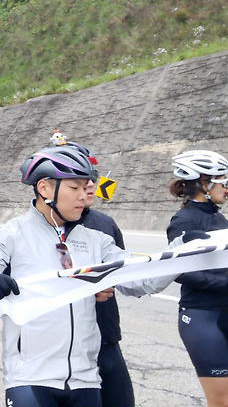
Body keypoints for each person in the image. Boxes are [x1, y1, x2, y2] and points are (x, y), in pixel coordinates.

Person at [0, 145, 163, 407]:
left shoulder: (97, 241)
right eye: (74, 187)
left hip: (85, 379)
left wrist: (188, 253)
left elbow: (141, 279)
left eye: (86, 187)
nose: (84, 195)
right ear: (44, 188)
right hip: (30, 378)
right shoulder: (10, 235)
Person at [166, 150, 228, 407]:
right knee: (223, 403)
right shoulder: (184, 219)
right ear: (204, 184)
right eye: (223, 182)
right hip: (201, 316)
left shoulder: (217, 216)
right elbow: (179, 271)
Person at [52, 134, 134, 407]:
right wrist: (82, 289)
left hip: (106, 337)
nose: (88, 186)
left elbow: (126, 274)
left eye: (91, 179)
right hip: (60, 348)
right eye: (76, 181)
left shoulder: (105, 224)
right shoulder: (35, 230)